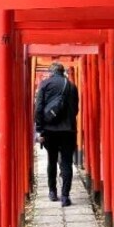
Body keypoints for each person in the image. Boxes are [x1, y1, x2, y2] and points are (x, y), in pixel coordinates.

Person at [34, 62, 79, 207]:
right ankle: (65, 196)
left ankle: (52, 192)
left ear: (51, 72)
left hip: (50, 130)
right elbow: (76, 109)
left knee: (52, 160)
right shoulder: (72, 86)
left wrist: (40, 129)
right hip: (68, 130)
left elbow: (39, 108)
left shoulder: (45, 84)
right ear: (63, 71)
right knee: (67, 162)